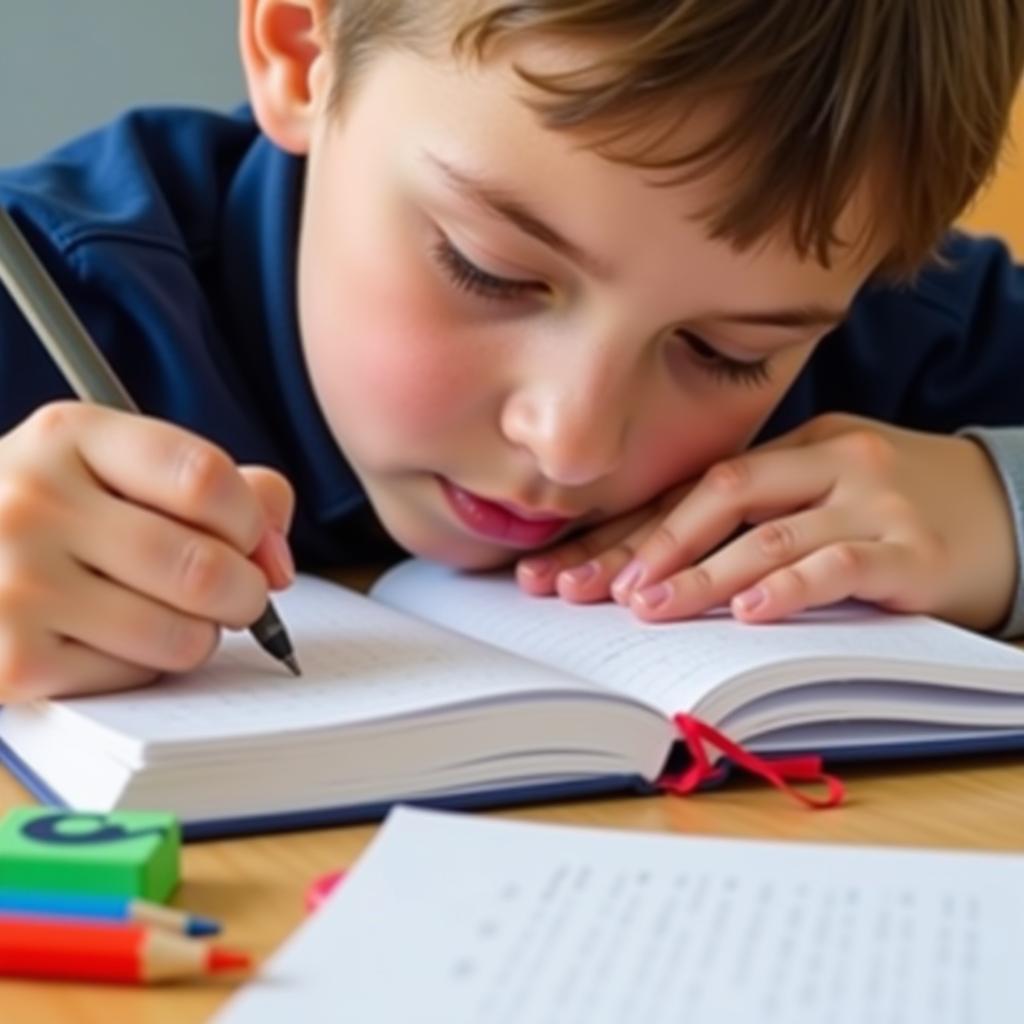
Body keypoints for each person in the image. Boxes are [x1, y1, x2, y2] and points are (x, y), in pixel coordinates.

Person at [0, 0, 1021, 701]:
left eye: (723, 353)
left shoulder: (874, 311)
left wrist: (1002, 511)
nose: (571, 442)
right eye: (490, 270)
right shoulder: (45, 293)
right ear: (304, 52)